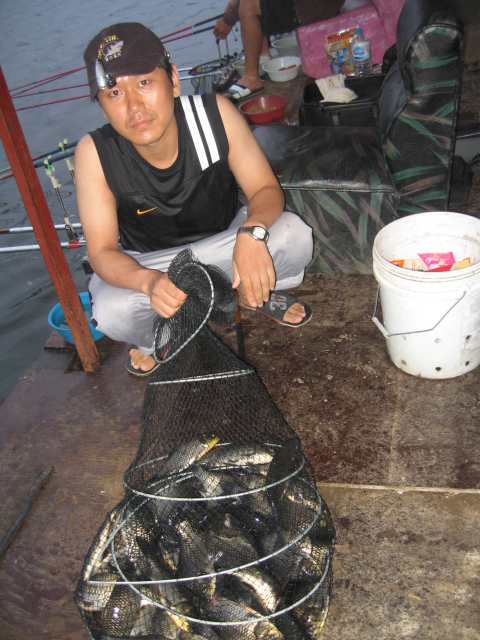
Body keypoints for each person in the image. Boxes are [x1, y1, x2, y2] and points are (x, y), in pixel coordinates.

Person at [76, 22, 313, 376]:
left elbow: (265, 189)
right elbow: (102, 252)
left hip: (226, 243)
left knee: (294, 236)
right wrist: (148, 282)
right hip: (153, 265)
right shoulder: (94, 153)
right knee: (111, 311)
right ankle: (157, 333)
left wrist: (252, 232)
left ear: (173, 79)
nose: (134, 106)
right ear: (102, 105)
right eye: (114, 93)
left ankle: (250, 292)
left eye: (144, 83)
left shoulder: (215, 114)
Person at [214, 0, 345, 101]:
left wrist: (229, 19)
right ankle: (264, 53)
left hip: (314, 7)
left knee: (248, 6)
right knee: (251, 4)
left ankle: (251, 77)